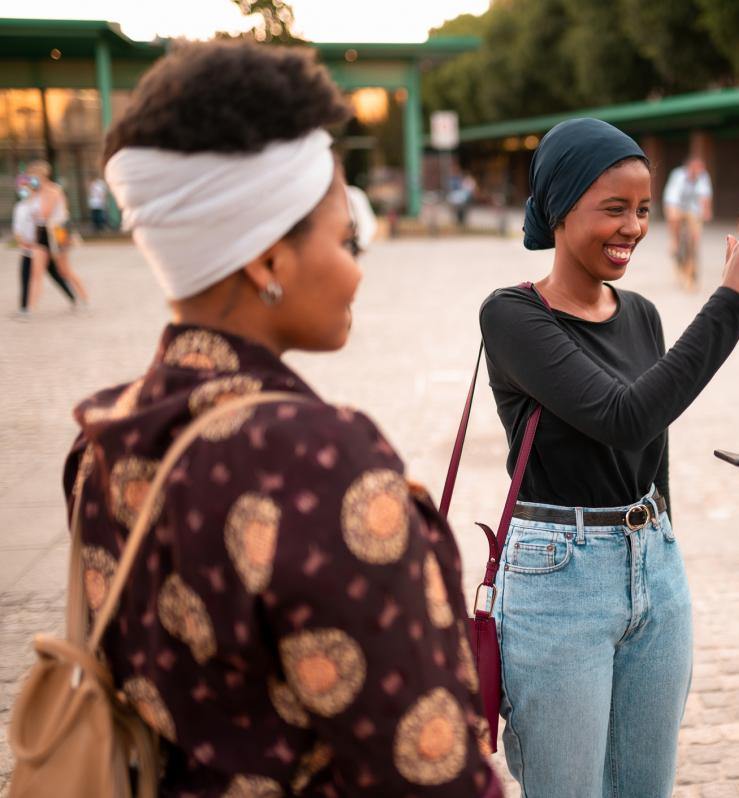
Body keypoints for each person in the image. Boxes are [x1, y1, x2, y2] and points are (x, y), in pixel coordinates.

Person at [69, 39, 498, 796]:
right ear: (268, 261)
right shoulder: (315, 458)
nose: (357, 269)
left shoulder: (103, 439)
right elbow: (427, 768)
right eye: (345, 240)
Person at [478, 117, 739, 797]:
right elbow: (626, 418)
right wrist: (734, 298)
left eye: (644, 209)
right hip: (558, 581)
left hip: (654, 566)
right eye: (614, 208)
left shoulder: (642, 313)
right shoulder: (512, 316)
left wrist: (664, 542)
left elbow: (654, 448)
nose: (634, 227)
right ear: (560, 209)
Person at [25, 159, 90, 308]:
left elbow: (45, 213)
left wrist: (33, 199)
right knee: (36, 272)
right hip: (41, 232)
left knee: (64, 270)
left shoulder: (53, 190)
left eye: (33, 176)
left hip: (57, 233)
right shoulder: (35, 193)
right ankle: (28, 308)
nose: (31, 179)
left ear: (41, 175)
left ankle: (83, 297)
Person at [13, 180, 76, 318]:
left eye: (25, 187)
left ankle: (73, 297)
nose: (23, 191)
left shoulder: (39, 203)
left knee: (56, 274)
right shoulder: (20, 207)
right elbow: (17, 228)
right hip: (28, 247)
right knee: (26, 276)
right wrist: (22, 240)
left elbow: (52, 220)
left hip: (41, 244)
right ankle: (25, 308)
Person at [662, 154, 713, 289]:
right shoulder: (678, 175)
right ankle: (674, 241)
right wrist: (673, 213)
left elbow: (705, 196)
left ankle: (692, 271)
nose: (699, 172)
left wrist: (706, 211)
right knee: (673, 217)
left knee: (694, 238)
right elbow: (671, 198)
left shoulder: (703, 176)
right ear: (689, 167)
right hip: (677, 206)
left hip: (693, 210)